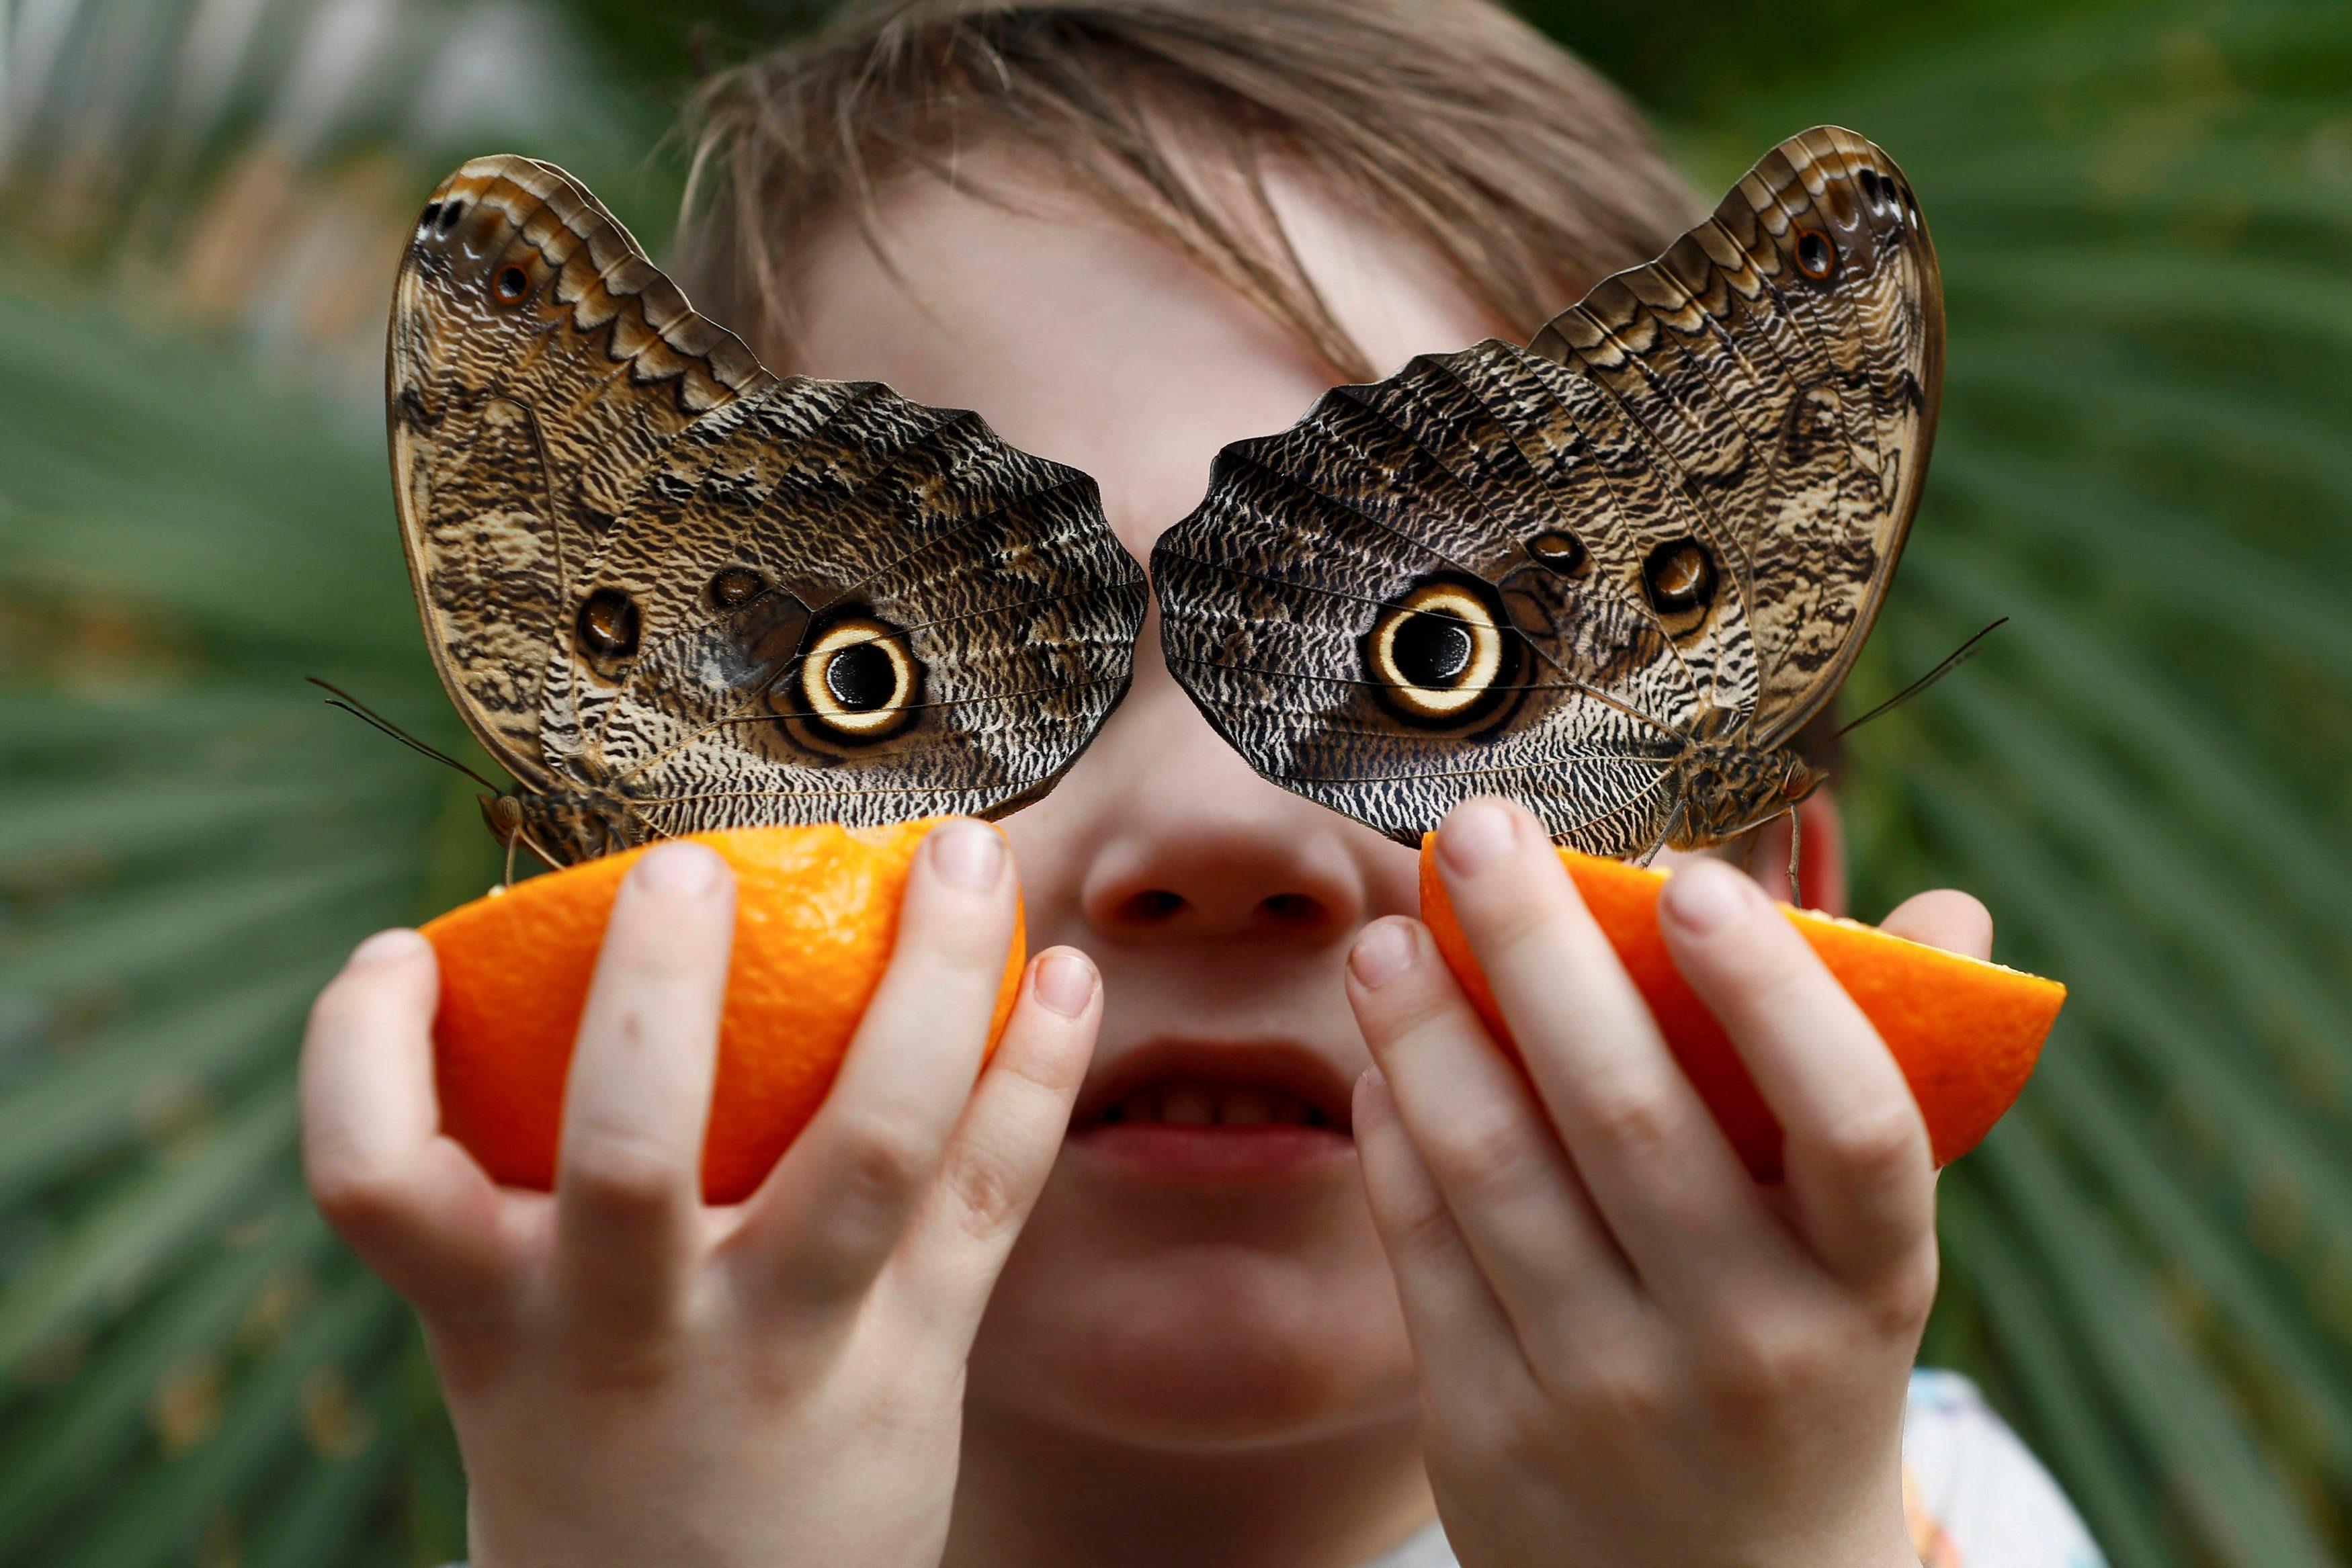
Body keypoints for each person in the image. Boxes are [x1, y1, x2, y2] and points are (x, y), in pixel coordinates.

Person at [299, 3, 2107, 1563]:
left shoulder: (1916, 1523)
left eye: (1441, 661)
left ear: (1758, 908)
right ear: (625, 903)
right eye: (901, 686)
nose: (1225, 843)